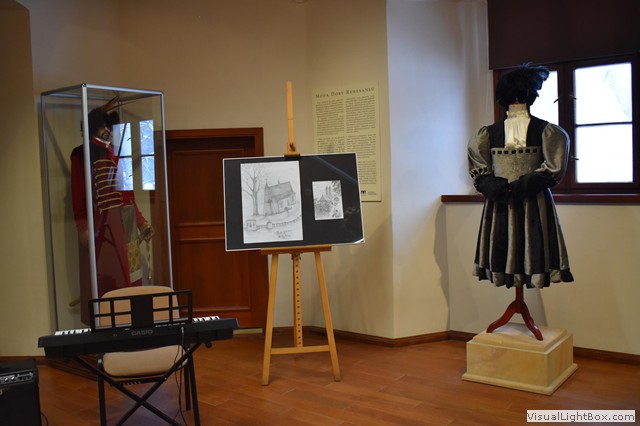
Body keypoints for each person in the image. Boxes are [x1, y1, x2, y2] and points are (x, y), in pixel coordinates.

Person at [468, 64, 574, 288]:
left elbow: (552, 170)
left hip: (525, 203)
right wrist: (504, 189)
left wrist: (508, 188)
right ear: (531, 96)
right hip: (514, 204)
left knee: (530, 245)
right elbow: (553, 170)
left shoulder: (545, 131)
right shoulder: (489, 135)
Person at [70, 98, 152, 324]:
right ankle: (108, 326)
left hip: (126, 222)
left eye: (108, 125)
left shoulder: (117, 153)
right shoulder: (82, 154)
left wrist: (141, 222)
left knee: (131, 279)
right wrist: (83, 227)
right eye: (102, 125)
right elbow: (79, 196)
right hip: (103, 225)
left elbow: (128, 196)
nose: (106, 130)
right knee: (108, 280)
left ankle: (132, 325)